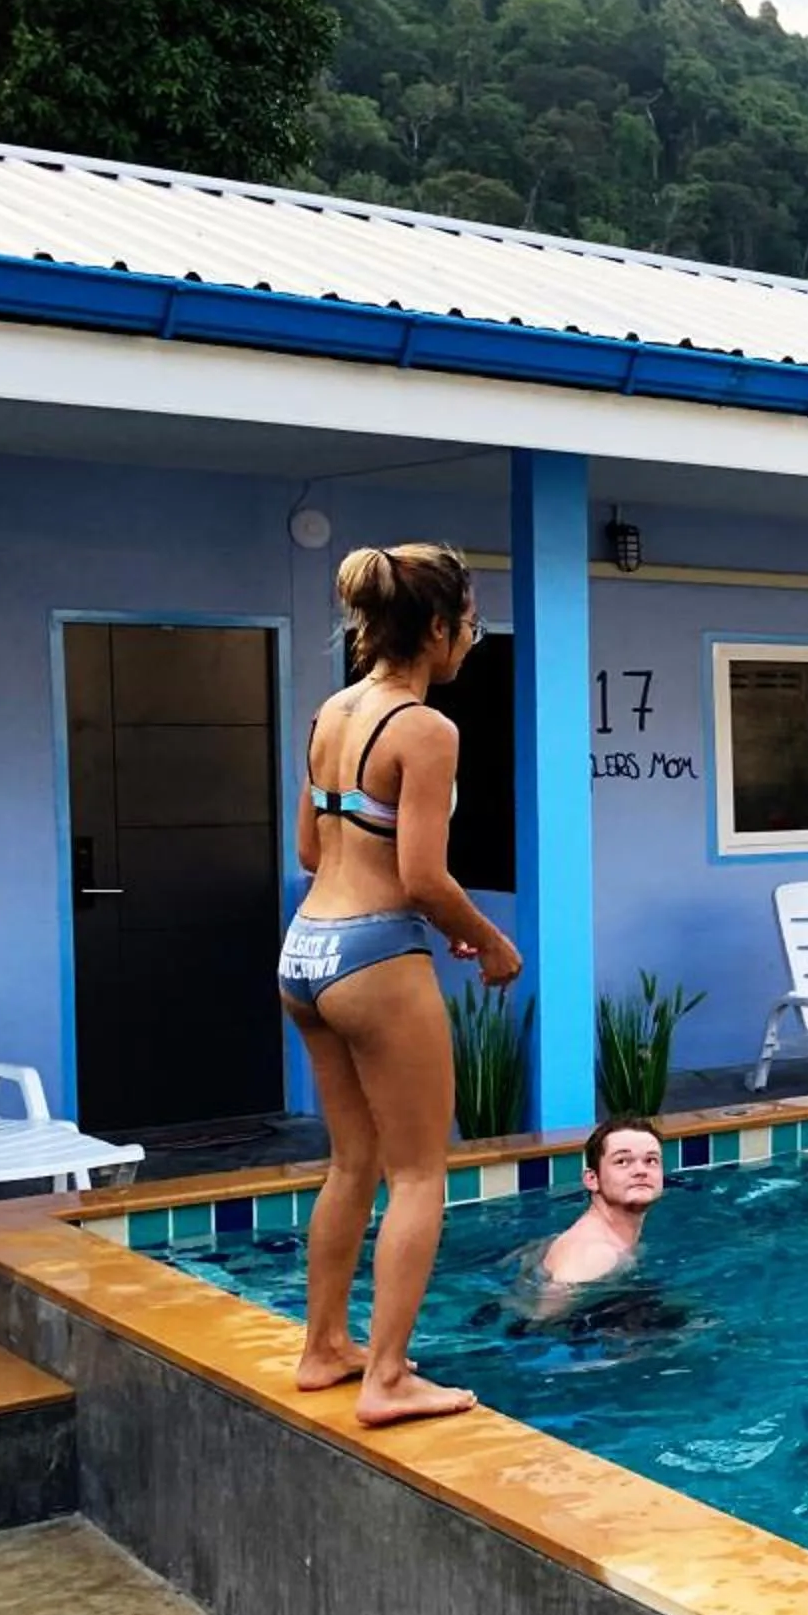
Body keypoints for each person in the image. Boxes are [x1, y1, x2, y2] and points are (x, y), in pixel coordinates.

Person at [279, 543, 520, 1427]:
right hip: (377, 953)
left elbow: (311, 852)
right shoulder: (425, 729)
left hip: (306, 952)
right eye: (469, 624)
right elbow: (422, 876)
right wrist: (489, 943)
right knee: (420, 1174)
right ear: (435, 626)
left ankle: (322, 1348)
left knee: (352, 1161)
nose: (471, 641)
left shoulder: (331, 714)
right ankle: (385, 1378)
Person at [538, 1115, 666, 1287]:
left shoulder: (611, 1244)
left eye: (651, 1160)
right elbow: (545, 1312)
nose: (640, 1171)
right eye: (622, 1161)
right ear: (592, 1179)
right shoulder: (595, 1255)